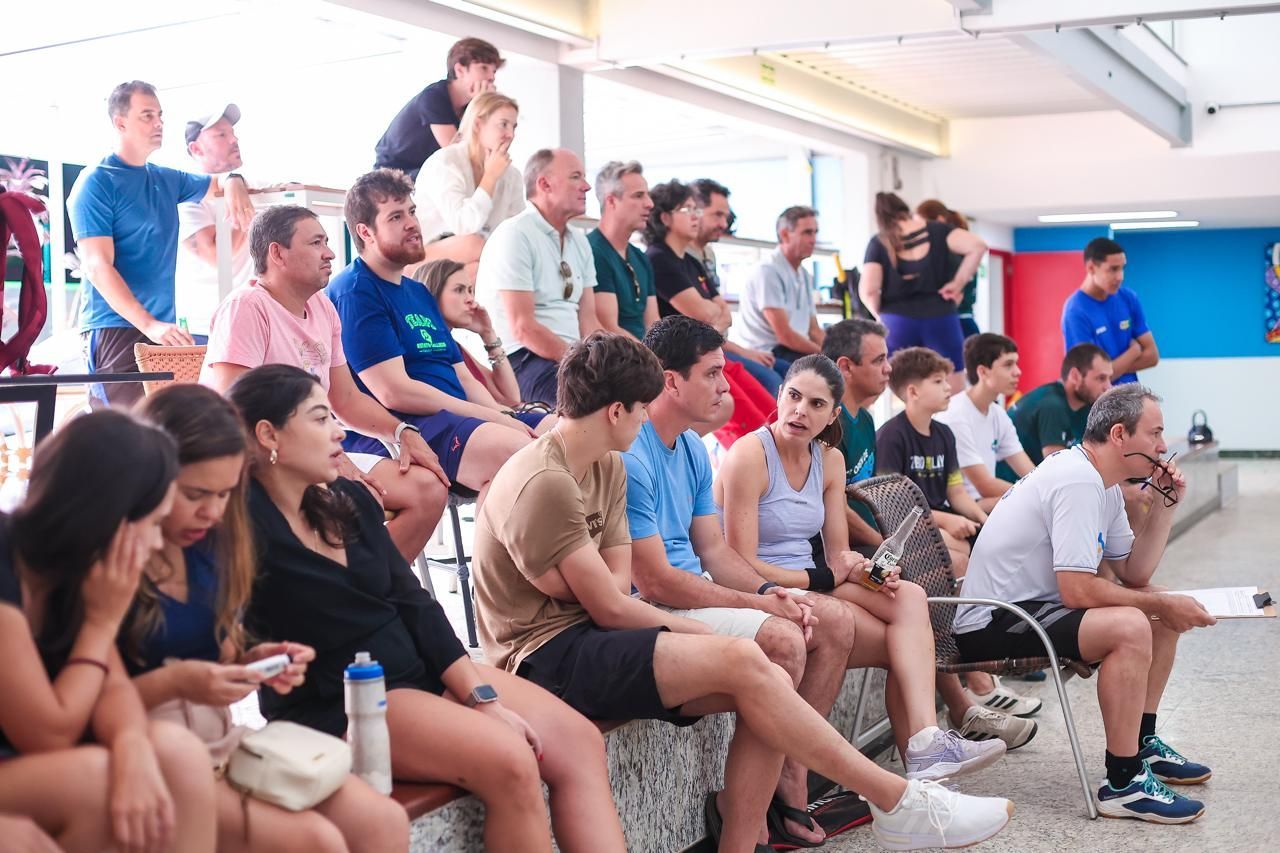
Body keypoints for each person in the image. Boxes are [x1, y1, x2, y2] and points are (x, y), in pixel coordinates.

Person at [470, 331, 1014, 852]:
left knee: (765, 673)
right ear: (618, 411)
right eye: (641, 406)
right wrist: (699, 626)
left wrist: (589, 587)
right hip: (543, 654)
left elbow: (611, 587)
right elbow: (615, 602)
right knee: (751, 657)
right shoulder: (546, 480)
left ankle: (756, 834)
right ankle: (898, 801)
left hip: (592, 629)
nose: (645, 417)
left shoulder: (608, 464)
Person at [229, 364, 626, 853]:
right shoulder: (239, 530)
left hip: (423, 670)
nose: (338, 430)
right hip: (346, 698)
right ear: (269, 434)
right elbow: (222, 636)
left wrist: (480, 697)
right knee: (513, 759)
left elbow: (412, 600)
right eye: (319, 419)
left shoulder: (347, 498)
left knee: (579, 742)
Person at [631, 318, 998, 845]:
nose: (728, 386)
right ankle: (829, 790)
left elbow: (727, 552)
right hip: (707, 596)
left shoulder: (696, 448)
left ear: (831, 415)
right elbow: (693, 569)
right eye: (793, 397)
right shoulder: (732, 453)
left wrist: (853, 573)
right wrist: (778, 591)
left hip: (771, 584)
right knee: (816, 628)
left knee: (903, 601)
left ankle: (921, 748)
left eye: (816, 404)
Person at [130, 384, 410, 852]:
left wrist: (255, 659)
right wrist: (181, 683)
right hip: (152, 754)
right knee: (317, 841)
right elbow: (89, 702)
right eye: (197, 494)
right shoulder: (118, 561)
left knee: (381, 821)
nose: (213, 511)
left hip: (220, 742)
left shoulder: (211, 546)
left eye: (225, 495)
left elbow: (215, 653)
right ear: (150, 479)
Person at [953, 385, 1215, 823]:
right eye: (1155, 433)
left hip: (1032, 608)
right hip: (993, 620)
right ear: (1119, 435)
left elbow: (1134, 573)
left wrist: (1165, 507)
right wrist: (1160, 606)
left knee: (1157, 606)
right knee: (1135, 623)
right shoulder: (1076, 479)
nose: (1163, 446)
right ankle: (1123, 782)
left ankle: (1143, 742)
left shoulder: (1103, 482)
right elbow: (1077, 590)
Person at [0, 410, 217, 852]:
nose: (159, 543)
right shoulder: (11, 565)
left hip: (25, 760)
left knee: (178, 754)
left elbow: (114, 688)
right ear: (108, 516)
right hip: (24, 754)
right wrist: (102, 622)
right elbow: (48, 734)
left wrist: (133, 744)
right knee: (96, 780)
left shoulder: (77, 564)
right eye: (153, 524)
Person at [202, 204, 449, 563]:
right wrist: (327, 460)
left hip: (312, 452)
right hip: (258, 462)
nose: (331, 252)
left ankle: (369, 595)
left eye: (327, 242)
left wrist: (402, 432)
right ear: (277, 253)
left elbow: (345, 399)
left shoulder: (322, 307)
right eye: (316, 242)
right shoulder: (247, 307)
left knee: (427, 489)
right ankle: (345, 598)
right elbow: (235, 410)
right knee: (360, 501)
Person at [329, 169, 542, 507]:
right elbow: (393, 391)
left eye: (412, 211)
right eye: (396, 217)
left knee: (570, 436)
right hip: (413, 426)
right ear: (365, 231)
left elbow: (462, 376)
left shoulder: (418, 292)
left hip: (459, 417)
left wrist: (501, 414)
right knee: (526, 455)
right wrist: (491, 417)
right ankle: (508, 561)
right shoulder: (356, 291)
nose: (412, 223)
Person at [69, 80, 254, 407]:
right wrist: (149, 324)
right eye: (147, 116)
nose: (158, 123)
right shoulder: (96, 182)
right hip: (115, 327)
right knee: (123, 434)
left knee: (164, 434)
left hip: (162, 330)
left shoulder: (166, 178)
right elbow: (97, 266)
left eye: (160, 115)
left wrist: (235, 180)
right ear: (120, 123)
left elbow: (217, 182)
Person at [644, 179, 774, 444]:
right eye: (687, 210)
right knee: (751, 426)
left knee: (771, 412)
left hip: (713, 348)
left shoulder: (692, 261)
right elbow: (706, 314)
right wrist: (713, 316)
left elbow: (723, 313)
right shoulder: (658, 258)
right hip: (690, 358)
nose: (696, 216)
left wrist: (713, 317)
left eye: (696, 209)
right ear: (666, 217)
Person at [476, 149, 602, 406]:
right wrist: (582, 363)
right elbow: (523, 328)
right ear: (544, 184)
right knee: (596, 405)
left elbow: (589, 319)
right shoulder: (515, 233)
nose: (587, 186)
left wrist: (612, 360)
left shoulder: (580, 241)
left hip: (570, 357)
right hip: (520, 360)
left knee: (639, 392)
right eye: (576, 177)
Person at [178, 103, 289, 338]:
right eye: (221, 135)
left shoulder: (251, 185)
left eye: (232, 133)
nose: (233, 139)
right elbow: (218, 255)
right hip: (207, 328)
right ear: (196, 149)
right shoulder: (187, 198)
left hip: (256, 321)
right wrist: (249, 211)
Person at [858, 192, 987, 393]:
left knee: (886, 386)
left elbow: (869, 290)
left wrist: (880, 316)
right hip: (940, 316)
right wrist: (957, 282)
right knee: (953, 389)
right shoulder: (939, 231)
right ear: (906, 210)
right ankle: (947, 425)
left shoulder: (879, 241)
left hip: (897, 319)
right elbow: (978, 246)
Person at [683, 178, 783, 397]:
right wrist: (742, 351)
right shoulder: (681, 259)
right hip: (701, 352)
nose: (724, 224)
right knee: (772, 382)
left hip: (718, 346)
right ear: (696, 213)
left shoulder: (707, 254)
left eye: (725, 217)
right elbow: (705, 325)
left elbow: (723, 318)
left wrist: (743, 351)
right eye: (717, 215)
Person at [414, 91, 524, 268]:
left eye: (514, 127)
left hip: (478, 255)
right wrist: (490, 177)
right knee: (475, 248)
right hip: (425, 253)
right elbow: (463, 225)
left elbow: (516, 230)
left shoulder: (512, 175)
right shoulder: (445, 162)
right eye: (503, 124)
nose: (510, 134)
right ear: (478, 124)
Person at [412, 257, 538, 411]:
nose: (471, 299)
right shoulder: (427, 348)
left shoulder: (456, 348)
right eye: (459, 290)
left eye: (470, 290)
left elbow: (510, 398)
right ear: (432, 294)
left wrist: (488, 334)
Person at [374, 37, 505, 180]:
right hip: (391, 175)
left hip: (423, 171)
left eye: (494, 71)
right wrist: (480, 105)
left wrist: (485, 107)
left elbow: (485, 150)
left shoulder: (469, 107)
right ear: (460, 70)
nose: (492, 77)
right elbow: (458, 153)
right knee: (456, 177)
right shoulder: (434, 97)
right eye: (484, 68)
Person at [937, 333, 1034, 512]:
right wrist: (1037, 494)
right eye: (1008, 365)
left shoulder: (997, 414)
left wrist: (1047, 489)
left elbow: (1031, 473)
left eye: (1016, 363)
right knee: (1031, 505)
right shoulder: (955, 415)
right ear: (982, 371)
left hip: (985, 502)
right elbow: (984, 485)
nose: (1018, 372)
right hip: (959, 509)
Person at [821, 318, 891, 549]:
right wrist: (888, 548)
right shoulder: (827, 425)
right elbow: (837, 510)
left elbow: (873, 494)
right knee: (956, 562)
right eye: (879, 360)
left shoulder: (866, 419)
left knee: (958, 553)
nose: (888, 368)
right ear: (846, 367)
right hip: (846, 552)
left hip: (874, 539)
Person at [737, 205, 826, 368]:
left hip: (793, 350)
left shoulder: (804, 275)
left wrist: (837, 353)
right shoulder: (768, 271)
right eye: (807, 233)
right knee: (826, 377)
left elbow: (814, 330)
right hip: (769, 353)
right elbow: (785, 335)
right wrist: (825, 355)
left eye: (815, 232)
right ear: (785, 234)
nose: (813, 239)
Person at [1062, 237, 1159, 385]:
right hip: (1100, 403)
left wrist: (1110, 370)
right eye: (1113, 269)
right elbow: (1089, 378)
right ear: (1091, 268)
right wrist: (1134, 351)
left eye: (1122, 268)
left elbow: (1152, 356)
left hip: (1132, 397)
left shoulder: (1128, 298)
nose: (1120, 277)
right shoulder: (1075, 311)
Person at [1008, 343, 1113, 466]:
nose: (1108, 387)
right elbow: (1058, 468)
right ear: (1075, 376)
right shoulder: (1052, 405)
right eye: (1101, 378)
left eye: (1109, 378)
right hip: (1009, 483)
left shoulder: (1087, 404)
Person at [587, 160, 658, 341]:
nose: (649, 203)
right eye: (638, 195)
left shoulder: (641, 258)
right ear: (611, 201)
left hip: (647, 358)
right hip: (619, 360)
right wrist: (654, 361)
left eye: (647, 195)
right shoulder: (592, 252)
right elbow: (609, 329)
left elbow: (653, 323)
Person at [917, 200, 980, 339]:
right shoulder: (957, 253)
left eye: (923, 223)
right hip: (961, 321)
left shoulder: (952, 254)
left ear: (939, 220)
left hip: (956, 322)